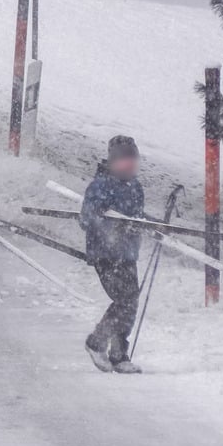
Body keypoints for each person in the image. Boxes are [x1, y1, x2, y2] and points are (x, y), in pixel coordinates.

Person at [79, 135, 145, 374]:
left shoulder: (135, 186)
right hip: (106, 254)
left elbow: (137, 217)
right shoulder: (101, 185)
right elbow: (87, 218)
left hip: (128, 253)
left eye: (133, 161)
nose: (129, 166)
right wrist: (110, 227)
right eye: (124, 161)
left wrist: (144, 225)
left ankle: (119, 354)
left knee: (131, 301)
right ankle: (97, 342)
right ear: (113, 161)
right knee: (124, 300)